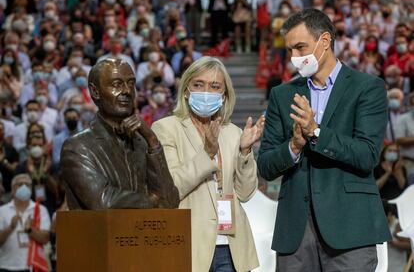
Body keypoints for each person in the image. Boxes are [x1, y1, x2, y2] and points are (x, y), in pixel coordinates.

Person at [257, 9, 391, 271]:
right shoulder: (282, 94)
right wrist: (294, 147)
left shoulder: (367, 88)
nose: (294, 57)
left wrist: (315, 132)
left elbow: (367, 155)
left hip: (350, 229)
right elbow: (265, 165)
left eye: (300, 47)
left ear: (325, 41)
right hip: (295, 232)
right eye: (290, 50)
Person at [152, 56, 264, 272]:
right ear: (186, 90)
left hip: (232, 247)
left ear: (224, 95)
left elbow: (246, 193)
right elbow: (171, 188)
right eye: (198, 85)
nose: (206, 92)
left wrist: (245, 152)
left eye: (214, 86)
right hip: (189, 245)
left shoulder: (233, 132)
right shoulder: (166, 129)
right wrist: (207, 153)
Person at [60, 58, 179, 210]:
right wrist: (155, 200)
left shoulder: (143, 142)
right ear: (95, 91)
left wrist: (153, 141)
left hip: (145, 232)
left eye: (130, 84)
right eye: (117, 84)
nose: (127, 91)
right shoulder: (78, 147)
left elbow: (170, 202)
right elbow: (103, 201)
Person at [0, 174, 50, 272]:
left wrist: (30, 230)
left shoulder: (40, 210)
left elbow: (45, 238)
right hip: (6, 266)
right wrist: (10, 227)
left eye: (27, 185)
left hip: (32, 267)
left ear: (31, 189)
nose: (24, 187)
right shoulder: (2, 210)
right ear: (13, 189)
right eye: (20, 184)